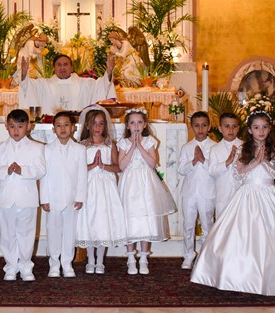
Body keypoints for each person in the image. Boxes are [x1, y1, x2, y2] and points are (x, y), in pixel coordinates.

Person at [190, 110, 275, 296]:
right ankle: (240, 277)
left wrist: (265, 162)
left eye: (264, 127)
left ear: (269, 129)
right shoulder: (243, 149)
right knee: (243, 236)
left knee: (268, 238)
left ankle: (269, 278)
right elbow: (238, 173)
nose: (261, 131)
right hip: (248, 194)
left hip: (269, 195)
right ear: (250, 130)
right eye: (256, 127)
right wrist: (255, 162)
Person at [0, 109, 46, 281]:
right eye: (12, 126)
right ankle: (10, 266)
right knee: (7, 233)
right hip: (6, 198)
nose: (16, 130)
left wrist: (23, 170)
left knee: (26, 233)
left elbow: (41, 170)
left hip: (27, 198)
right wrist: (6, 170)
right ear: (6, 126)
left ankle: (26, 266)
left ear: (28, 127)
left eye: (20, 126)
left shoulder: (37, 147)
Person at [118, 108, 177, 276]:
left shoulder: (150, 141)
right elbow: (121, 166)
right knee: (129, 219)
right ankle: (130, 258)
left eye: (139, 122)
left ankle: (143, 258)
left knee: (146, 218)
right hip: (129, 184)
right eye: (132, 123)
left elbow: (152, 163)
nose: (136, 126)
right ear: (127, 125)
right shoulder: (123, 143)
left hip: (146, 184)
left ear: (144, 125)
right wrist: (132, 147)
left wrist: (140, 146)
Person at [75, 105, 128, 273]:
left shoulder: (110, 144)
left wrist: (103, 166)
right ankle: (90, 260)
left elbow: (118, 167)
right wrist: (92, 165)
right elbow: (76, 170)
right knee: (89, 221)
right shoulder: (81, 145)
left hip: (105, 187)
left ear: (105, 125)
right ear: (87, 125)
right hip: (88, 186)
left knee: (102, 222)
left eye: (101, 123)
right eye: (94, 123)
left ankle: (100, 261)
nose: (97, 127)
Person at [39, 111, 87, 278]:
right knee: (53, 232)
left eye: (66, 125)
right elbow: (44, 176)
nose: (63, 128)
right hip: (53, 198)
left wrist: (80, 197)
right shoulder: (46, 149)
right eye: (58, 125)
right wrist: (44, 198)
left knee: (69, 233)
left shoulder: (80, 149)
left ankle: (67, 263)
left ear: (73, 128)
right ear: (53, 129)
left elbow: (82, 175)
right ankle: (54, 264)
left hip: (72, 198)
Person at [18, 52, 116, 117]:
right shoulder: (44, 84)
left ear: (71, 67)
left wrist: (109, 72)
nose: (62, 68)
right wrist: (24, 73)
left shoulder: (85, 84)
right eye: (59, 65)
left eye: (65, 64)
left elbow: (103, 85)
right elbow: (26, 85)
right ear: (54, 68)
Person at [177, 111, 216, 270]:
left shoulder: (215, 147)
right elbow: (181, 169)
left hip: (207, 192)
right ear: (191, 127)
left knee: (208, 225)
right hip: (189, 192)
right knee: (188, 225)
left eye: (204, 125)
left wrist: (203, 160)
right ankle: (188, 255)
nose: (200, 129)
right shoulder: (187, 147)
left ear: (209, 126)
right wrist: (193, 161)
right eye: (197, 126)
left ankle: (206, 256)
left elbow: (216, 170)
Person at [208, 111, 242, 219]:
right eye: (227, 126)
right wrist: (227, 162)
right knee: (222, 223)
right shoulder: (215, 149)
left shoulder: (245, 146)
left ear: (238, 128)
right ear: (220, 128)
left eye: (234, 126)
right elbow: (211, 171)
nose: (231, 130)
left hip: (241, 194)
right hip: (222, 195)